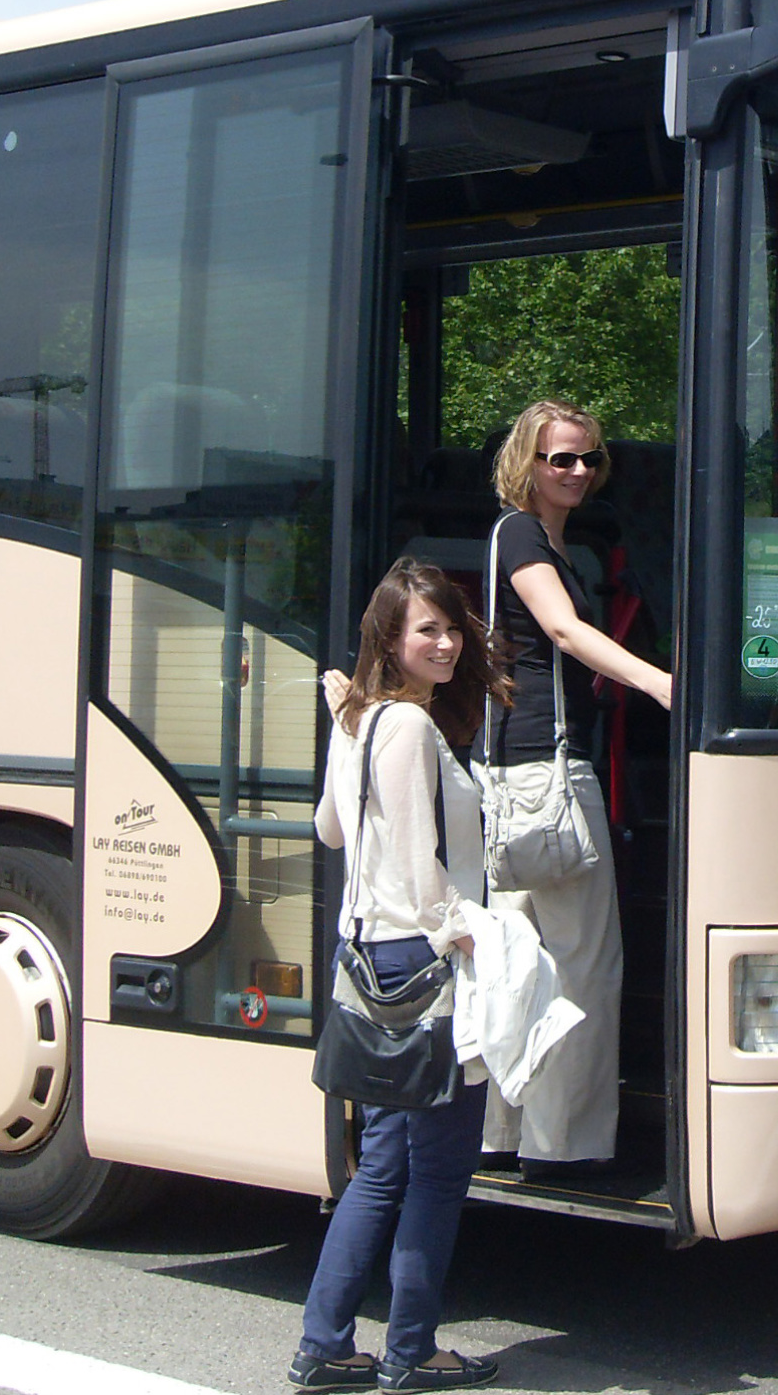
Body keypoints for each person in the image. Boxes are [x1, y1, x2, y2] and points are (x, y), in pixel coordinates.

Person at [294, 560, 509, 1393]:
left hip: (371, 958)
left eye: (453, 627)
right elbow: (423, 867)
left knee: (382, 1161)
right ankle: (410, 1351)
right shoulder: (411, 729)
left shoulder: (361, 720)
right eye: (428, 628)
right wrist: (472, 939)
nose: (449, 642)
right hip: (425, 961)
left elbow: (329, 832)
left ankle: (325, 1343)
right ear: (390, 635)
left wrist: (340, 728)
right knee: (439, 1165)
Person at [480, 399, 672, 1176]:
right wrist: (660, 682)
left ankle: (501, 1132)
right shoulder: (521, 531)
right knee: (583, 961)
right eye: (561, 458)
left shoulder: (546, 539)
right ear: (526, 462)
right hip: (548, 774)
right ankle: (565, 1146)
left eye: (589, 458)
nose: (578, 471)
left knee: (516, 964)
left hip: (516, 771)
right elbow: (561, 630)